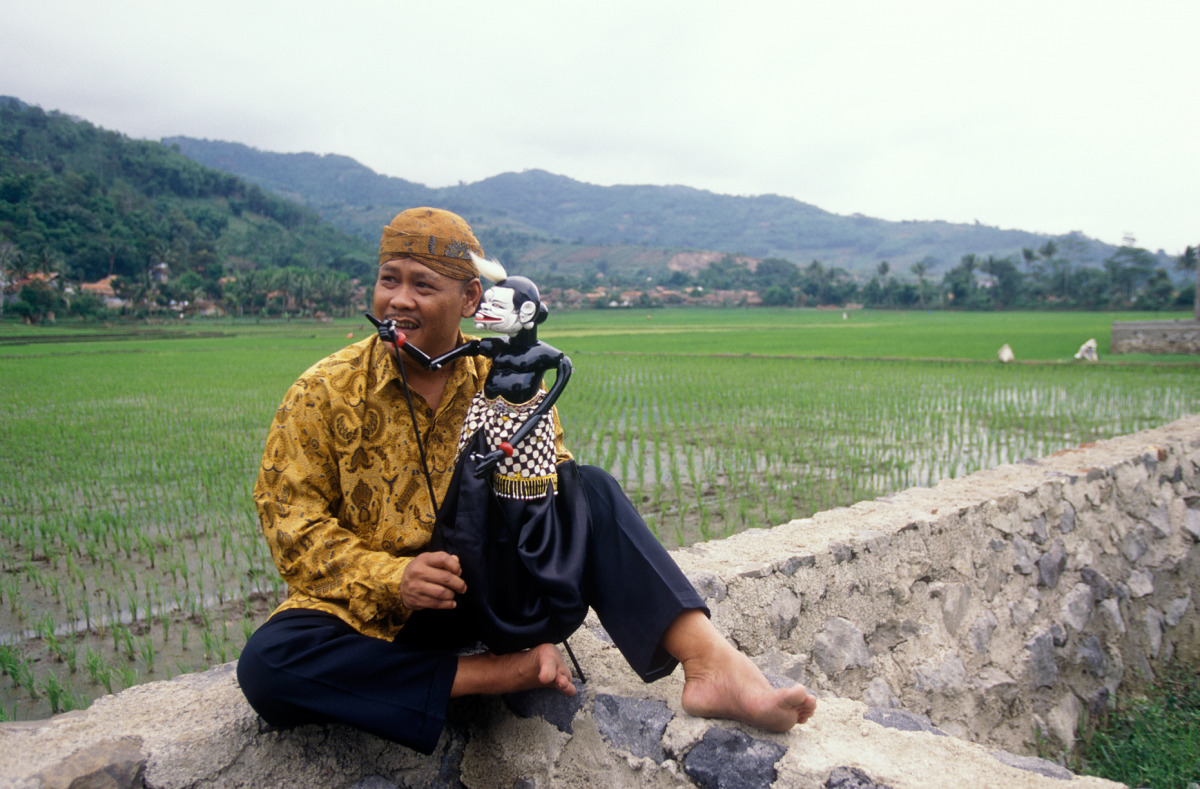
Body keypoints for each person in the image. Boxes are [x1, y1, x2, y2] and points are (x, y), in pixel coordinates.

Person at [237, 207, 817, 755]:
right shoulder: (323, 390)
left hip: (485, 594)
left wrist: (530, 502)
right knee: (270, 664)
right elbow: (293, 525)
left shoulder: (505, 374)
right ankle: (490, 675)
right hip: (373, 614)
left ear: (470, 298)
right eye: (390, 280)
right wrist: (394, 577)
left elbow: (550, 480)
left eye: (423, 285)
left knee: (587, 489)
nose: (399, 300)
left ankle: (711, 664)